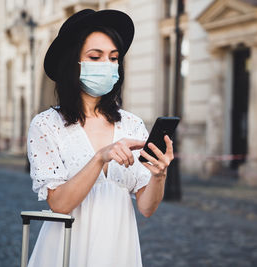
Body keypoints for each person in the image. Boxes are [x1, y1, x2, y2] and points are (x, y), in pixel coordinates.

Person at [26, 9, 174, 267]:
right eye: (95, 56)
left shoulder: (131, 124)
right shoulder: (46, 125)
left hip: (118, 249)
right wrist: (99, 158)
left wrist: (159, 176)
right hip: (65, 249)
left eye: (113, 58)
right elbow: (59, 205)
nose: (107, 64)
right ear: (74, 63)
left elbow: (147, 208)